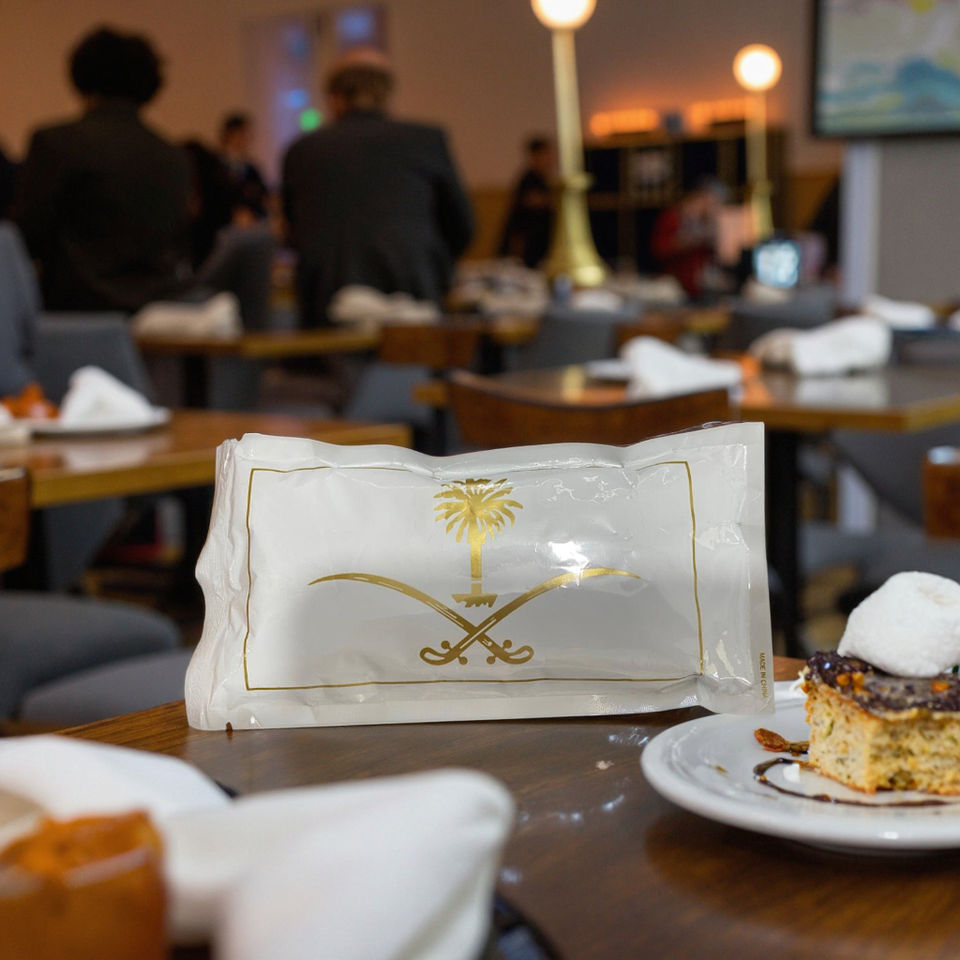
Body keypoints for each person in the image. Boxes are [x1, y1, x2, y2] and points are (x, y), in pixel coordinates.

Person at [282, 48, 473, 327]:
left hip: (326, 309)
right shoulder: (425, 141)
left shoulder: (302, 151)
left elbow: (293, 234)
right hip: (413, 301)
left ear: (334, 98)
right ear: (387, 95)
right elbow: (462, 228)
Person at [13, 27, 193, 313]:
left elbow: (26, 235)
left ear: (81, 75)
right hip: (159, 310)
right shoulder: (173, 156)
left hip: (79, 313)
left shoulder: (57, 143)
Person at [650, 178, 729, 300]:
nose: (715, 208)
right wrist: (694, 238)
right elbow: (660, 249)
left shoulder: (707, 221)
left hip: (700, 288)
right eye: (713, 203)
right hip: (673, 288)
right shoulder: (673, 217)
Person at [498, 136, 553, 268]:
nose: (549, 159)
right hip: (527, 242)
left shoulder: (542, 178)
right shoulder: (528, 178)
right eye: (545, 154)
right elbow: (531, 203)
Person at [218, 112, 269, 221]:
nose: (247, 139)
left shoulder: (251, 169)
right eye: (244, 134)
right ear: (231, 134)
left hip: (252, 222)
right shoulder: (215, 167)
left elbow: (262, 195)